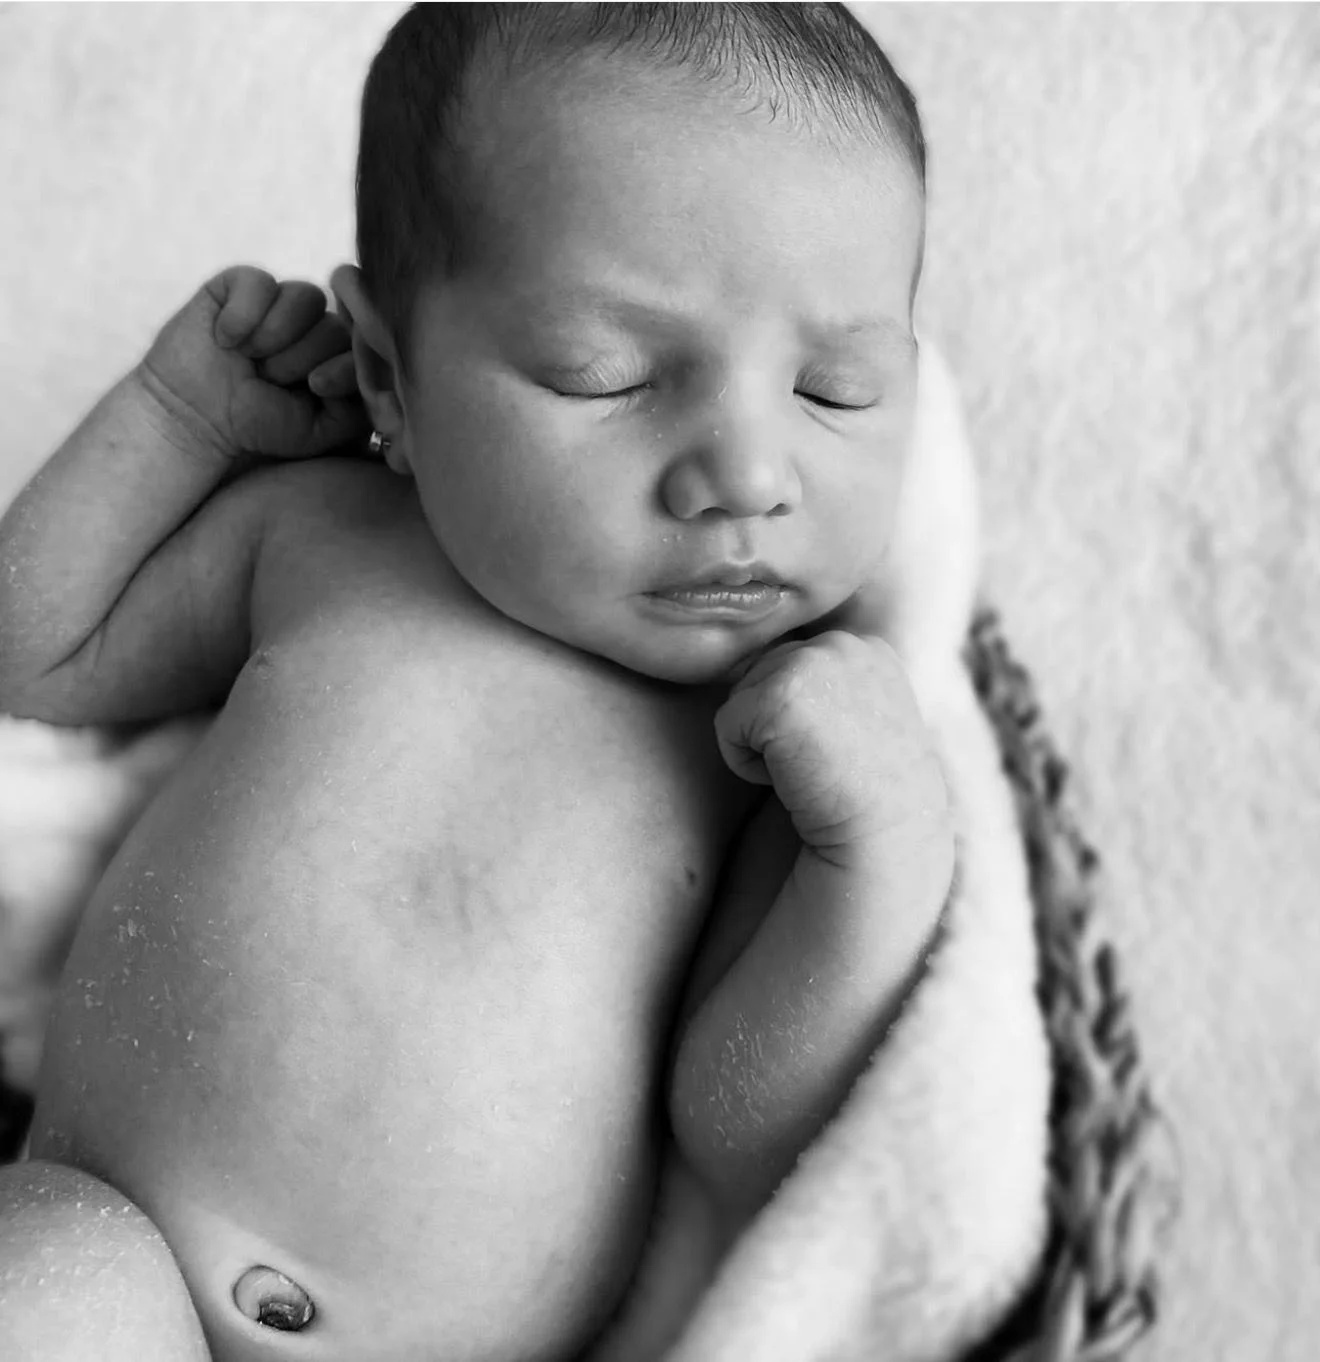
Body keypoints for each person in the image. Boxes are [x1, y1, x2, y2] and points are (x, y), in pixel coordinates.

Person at [0, 6, 998, 1359]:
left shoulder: (771, 734)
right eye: (612, 373)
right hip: (118, 1255)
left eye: (836, 387)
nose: (750, 475)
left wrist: (882, 849)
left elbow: (746, 1123)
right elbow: (42, 656)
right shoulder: (324, 538)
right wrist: (175, 421)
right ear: (387, 379)